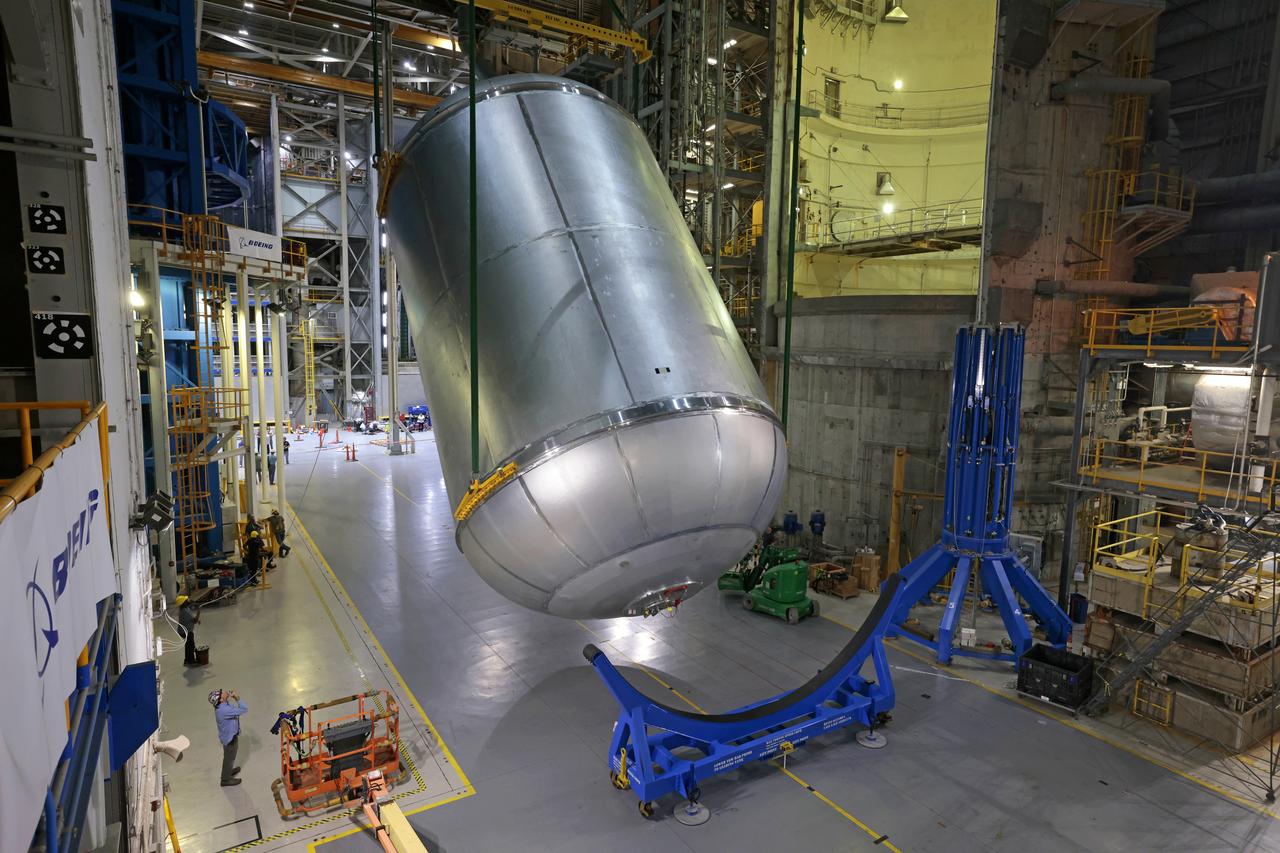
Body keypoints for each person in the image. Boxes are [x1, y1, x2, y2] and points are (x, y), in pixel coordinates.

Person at [209, 689, 247, 786]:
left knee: (230, 757)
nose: (225, 691)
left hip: (230, 736)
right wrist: (237, 698)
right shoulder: (224, 710)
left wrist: (229, 698)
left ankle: (228, 771)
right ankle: (225, 780)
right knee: (229, 758)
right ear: (221, 700)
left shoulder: (223, 705)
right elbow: (244, 709)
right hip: (229, 739)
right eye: (222, 693)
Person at [177, 595, 201, 665]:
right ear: (184, 603)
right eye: (186, 600)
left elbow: (191, 616)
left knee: (188, 645)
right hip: (186, 632)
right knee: (191, 646)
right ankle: (191, 661)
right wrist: (199, 611)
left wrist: (193, 603)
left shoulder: (185, 608)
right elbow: (195, 620)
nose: (188, 600)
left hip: (184, 631)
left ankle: (187, 660)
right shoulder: (184, 611)